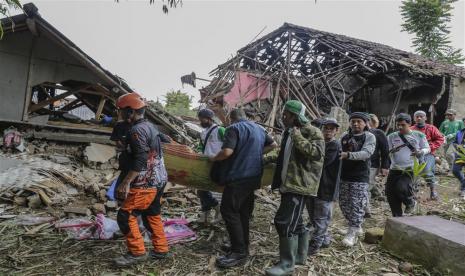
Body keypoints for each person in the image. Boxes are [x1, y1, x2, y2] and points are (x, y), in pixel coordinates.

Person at [211, 108, 277, 268]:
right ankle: (240, 246)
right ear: (245, 116)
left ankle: (239, 253)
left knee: (229, 211)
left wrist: (214, 158)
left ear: (231, 118)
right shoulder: (258, 128)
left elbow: (227, 152)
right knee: (243, 213)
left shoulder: (233, 129)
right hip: (254, 177)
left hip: (238, 177)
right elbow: (273, 144)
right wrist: (255, 153)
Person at [264, 100, 324, 276]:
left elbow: (317, 153)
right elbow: (283, 152)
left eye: (287, 115)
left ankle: (287, 265)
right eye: (283, 114)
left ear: (296, 116)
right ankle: (299, 256)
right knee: (295, 222)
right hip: (288, 184)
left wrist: (297, 136)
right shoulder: (289, 131)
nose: (283, 117)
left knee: (284, 222)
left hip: (299, 185)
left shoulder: (312, 131)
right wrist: (264, 159)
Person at [113, 93, 171, 267]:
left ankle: (137, 252)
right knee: (151, 213)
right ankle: (161, 249)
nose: (121, 114)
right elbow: (164, 141)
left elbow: (141, 158)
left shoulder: (136, 130)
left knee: (125, 216)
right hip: (159, 179)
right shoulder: (150, 126)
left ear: (130, 111)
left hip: (145, 182)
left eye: (122, 111)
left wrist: (126, 182)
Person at [339, 112, 376, 247]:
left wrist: (347, 155)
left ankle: (352, 233)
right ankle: (354, 225)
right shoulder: (344, 136)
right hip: (343, 175)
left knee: (356, 203)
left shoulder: (369, 136)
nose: (355, 124)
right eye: (353, 121)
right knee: (344, 203)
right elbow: (338, 150)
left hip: (360, 176)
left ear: (365, 123)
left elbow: (366, 153)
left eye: (359, 121)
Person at [306, 118, 341, 256]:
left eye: (331, 129)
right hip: (314, 185)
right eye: (326, 128)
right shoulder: (319, 143)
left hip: (327, 187)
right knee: (314, 215)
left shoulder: (334, 145)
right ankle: (325, 239)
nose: (328, 131)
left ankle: (315, 245)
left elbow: (321, 162)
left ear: (336, 131)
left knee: (321, 217)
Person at [386, 113, 430, 216]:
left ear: (409, 124)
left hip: (410, 168)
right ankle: (397, 217)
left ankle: (410, 203)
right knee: (390, 194)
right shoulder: (391, 136)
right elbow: (386, 150)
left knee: (401, 188)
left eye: (403, 125)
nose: (400, 127)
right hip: (395, 168)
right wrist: (392, 150)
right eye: (398, 125)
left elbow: (427, 148)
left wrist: (420, 152)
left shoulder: (419, 135)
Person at [196, 108, 225, 223]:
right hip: (205, 163)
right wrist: (199, 153)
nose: (200, 121)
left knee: (203, 190)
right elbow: (201, 146)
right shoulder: (203, 132)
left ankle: (218, 209)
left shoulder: (220, 130)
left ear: (209, 119)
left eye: (201, 119)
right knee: (202, 189)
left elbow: (229, 145)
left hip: (218, 164)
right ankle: (205, 215)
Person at [411, 110, 444, 200]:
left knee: (428, 172)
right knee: (413, 173)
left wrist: (430, 147)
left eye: (421, 116)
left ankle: (433, 192)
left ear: (425, 118)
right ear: (414, 118)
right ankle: (413, 193)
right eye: (417, 116)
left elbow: (440, 139)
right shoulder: (411, 129)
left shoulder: (431, 128)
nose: (419, 118)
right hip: (415, 155)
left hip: (429, 153)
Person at [365, 114, 390, 217]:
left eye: (367, 121)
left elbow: (385, 151)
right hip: (358, 165)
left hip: (373, 164)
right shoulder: (357, 133)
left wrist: (385, 166)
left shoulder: (379, 133)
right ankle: (376, 194)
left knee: (365, 187)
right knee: (367, 185)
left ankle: (366, 210)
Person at [451, 126, 465, 199]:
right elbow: (455, 142)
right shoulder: (460, 132)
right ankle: (463, 181)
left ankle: (463, 190)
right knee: (455, 170)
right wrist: (456, 146)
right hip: (460, 154)